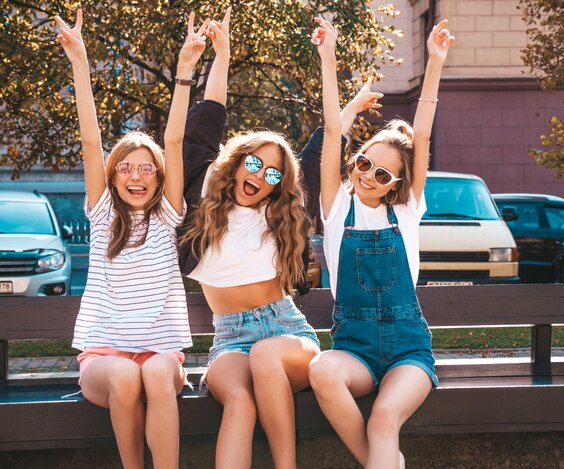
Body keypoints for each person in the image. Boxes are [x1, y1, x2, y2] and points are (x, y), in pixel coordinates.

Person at [55, 9, 210, 468]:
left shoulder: (167, 213)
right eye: (126, 166)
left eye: (147, 168)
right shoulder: (103, 212)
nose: (136, 175)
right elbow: (89, 140)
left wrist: (185, 72)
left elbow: (177, 140)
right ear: (114, 175)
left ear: (159, 177)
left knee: (160, 372)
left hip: (159, 349)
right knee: (125, 376)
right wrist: (80, 62)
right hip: (105, 355)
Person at [308, 17, 455, 469]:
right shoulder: (336, 209)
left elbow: (423, 134)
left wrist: (433, 64)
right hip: (353, 348)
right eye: (364, 162)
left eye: (382, 174)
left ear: (396, 186)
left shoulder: (406, 211)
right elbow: (333, 131)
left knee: (384, 416)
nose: (367, 175)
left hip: (408, 348)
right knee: (321, 369)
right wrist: (327, 55)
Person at [178, 9, 320, 469]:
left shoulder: (280, 217)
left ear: (278, 183)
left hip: (286, 332)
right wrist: (222, 56)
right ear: (237, 163)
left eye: (272, 172)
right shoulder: (202, 201)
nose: (260, 175)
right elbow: (206, 124)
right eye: (253, 164)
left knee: (264, 355)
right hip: (229, 339)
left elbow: (325, 152)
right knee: (239, 400)